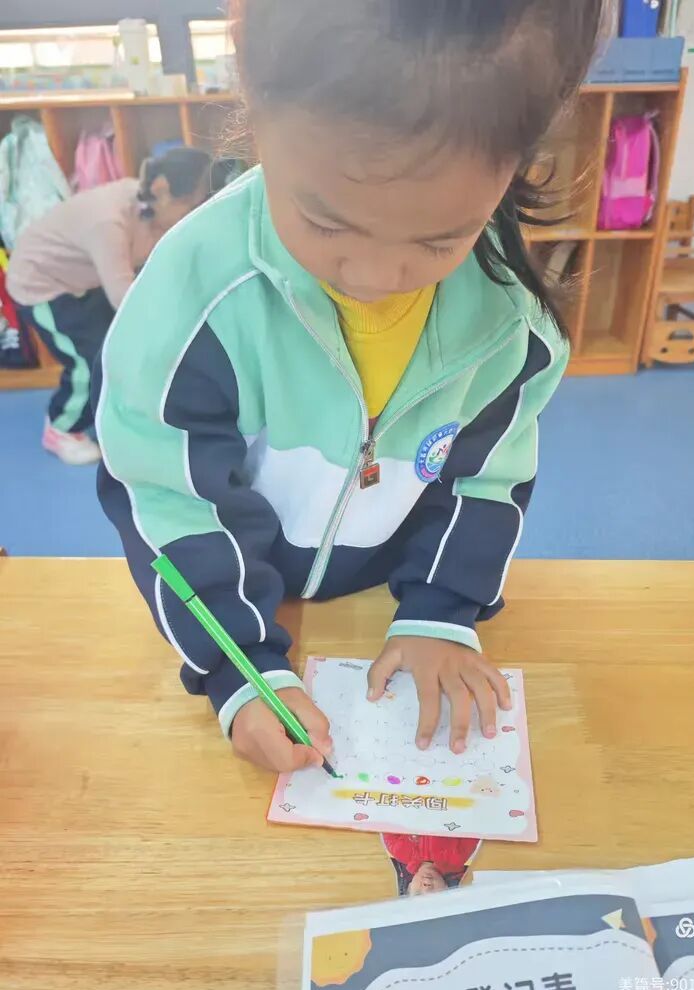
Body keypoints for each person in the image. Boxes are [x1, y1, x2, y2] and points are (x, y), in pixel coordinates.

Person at [95, 1, 608, 770]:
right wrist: (239, 665)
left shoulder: (510, 323)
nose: (374, 277)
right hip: (241, 596)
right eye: (326, 223)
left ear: (517, 159)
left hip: (381, 596)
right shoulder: (194, 296)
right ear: (253, 96)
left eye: (439, 239)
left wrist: (439, 611)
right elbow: (168, 494)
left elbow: (486, 477)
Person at [8, 147, 211, 464]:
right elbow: (124, 298)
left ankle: (124, 414)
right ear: (162, 190)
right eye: (191, 204)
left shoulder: (154, 209)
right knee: (90, 360)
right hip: (41, 284)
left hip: (87, 278)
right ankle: (61, 428)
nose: (194, 212)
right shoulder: (109, 222)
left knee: (121, 348)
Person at [382, 834, 481, 896]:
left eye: (418, 893)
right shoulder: (459, 856)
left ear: (409, 885)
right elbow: (474, 826)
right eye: (434, 896)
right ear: (446, 887)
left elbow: (387, 818)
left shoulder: (399, 852)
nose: (426, 888)